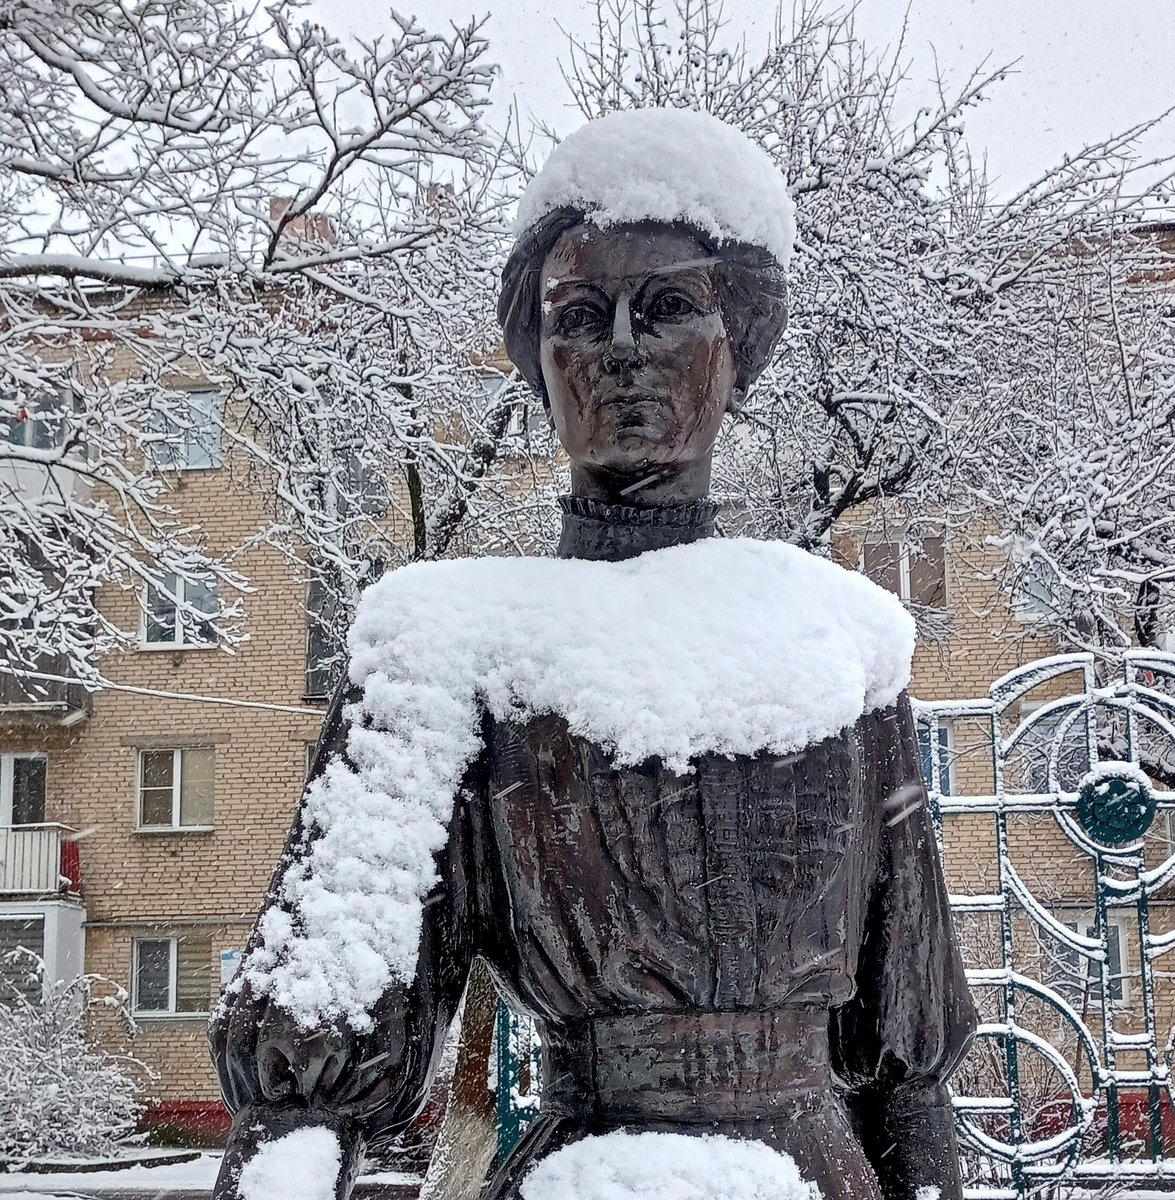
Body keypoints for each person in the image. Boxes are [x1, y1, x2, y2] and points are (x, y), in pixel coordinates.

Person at [210, 108, 976, 1200]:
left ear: (736, 351)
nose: (622, 347)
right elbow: (313, 1058)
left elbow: (908, 1068)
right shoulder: (444, 645)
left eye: (668, 308)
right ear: (542, 363)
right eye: (582, 313)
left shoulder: (842, 645)